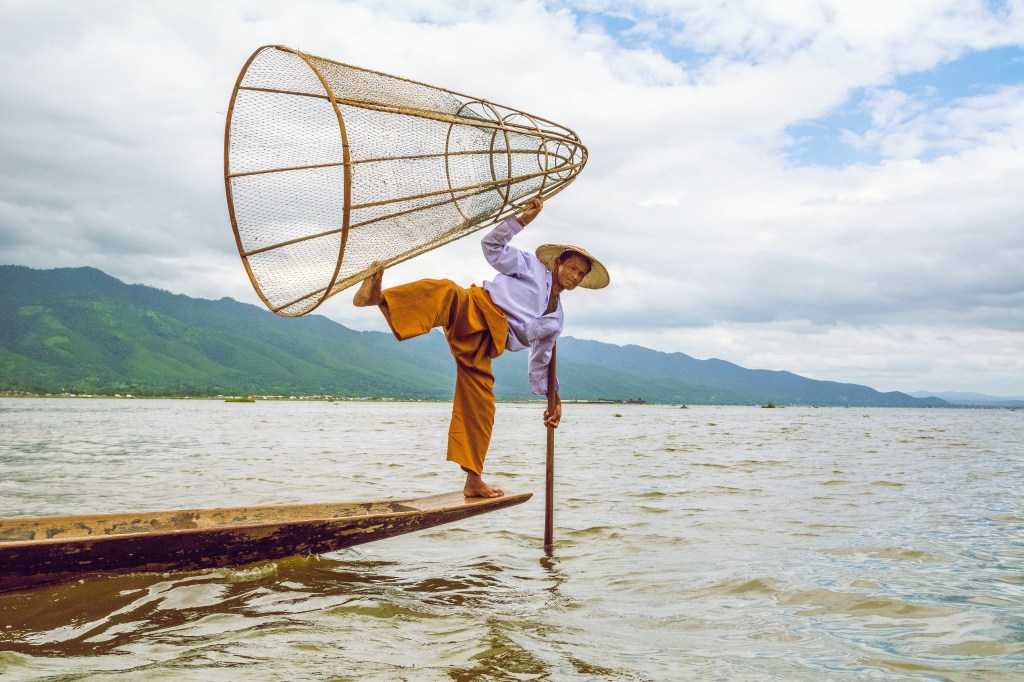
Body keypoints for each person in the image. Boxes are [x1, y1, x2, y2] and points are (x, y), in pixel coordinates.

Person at [353, 197, 609, 498]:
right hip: (476, 307)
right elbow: (492, 247)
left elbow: (541, 361)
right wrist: (522, 221)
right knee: (447, 292)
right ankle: (380, 299)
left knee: (482, 405)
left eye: (580, 274)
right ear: (557, 263)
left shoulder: (556, 321)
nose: (575, 276)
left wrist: (554, 397)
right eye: (573, 268)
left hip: (487, 345)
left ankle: (473, 480)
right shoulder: (530, 267)